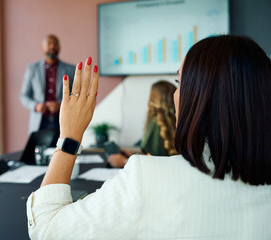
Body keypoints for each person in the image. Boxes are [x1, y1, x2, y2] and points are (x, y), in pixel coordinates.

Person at [26, 36, 271, 239]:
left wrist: (69, 136)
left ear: (201, 97)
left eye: (179, 82)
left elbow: (47, 229)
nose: (175, 95)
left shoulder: (148, 179)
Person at [20, 34, 75, 146]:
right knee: (37, 158)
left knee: (62, 156)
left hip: (61, 122)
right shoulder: (32, 69)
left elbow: (75, 96)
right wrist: (36, 106)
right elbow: (23, 96)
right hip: (39, 123)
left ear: (59, 47)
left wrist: (61, 104)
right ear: (42, 47)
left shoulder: (70, 69)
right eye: (49, 43)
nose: (52, 46)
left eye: (55, 43)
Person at [108, 81, 177, 168]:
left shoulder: (155, 124)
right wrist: (133, 157)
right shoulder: (178, 122)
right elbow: (155, 157)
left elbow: (153, 163)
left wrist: (124, 162)